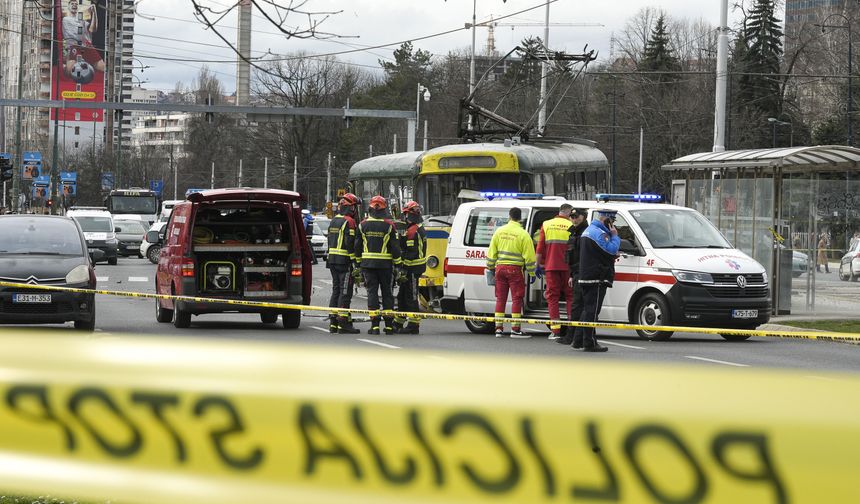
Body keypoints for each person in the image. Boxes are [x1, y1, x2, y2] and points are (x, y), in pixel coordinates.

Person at [572, 209, 620, 352]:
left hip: (587, 275)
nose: (613, 224)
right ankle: (589, 342)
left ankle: (578, 340)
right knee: (592, 312)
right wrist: (615, 236)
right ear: (606, 219)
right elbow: (611, 250)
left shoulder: (588, 230)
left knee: (587, 310)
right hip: (596, 277)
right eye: (612, 221)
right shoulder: (599, 233)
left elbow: (597, 252)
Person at [355, 195, 402, 335]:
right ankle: (389, 326)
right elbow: (395, 248)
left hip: (368, 265)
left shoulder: (362, 225)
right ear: (384, 209)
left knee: (372, 293)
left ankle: (374, 326)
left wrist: (358, 263)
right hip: (385, 266)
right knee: (387, 293)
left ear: (370, 209)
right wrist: (398, 265)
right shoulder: (389, 226)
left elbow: (357, 246)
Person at [486, 207, 536, 338]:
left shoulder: (499, 231)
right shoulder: (523, 234)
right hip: (515, 270)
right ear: (520, 218)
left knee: (500, 299)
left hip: (500, 269)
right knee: (516, 299)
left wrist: (490, 267)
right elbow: (530, 258)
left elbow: (491, 253)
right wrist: (532, 273)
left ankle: (498, 329)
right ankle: (515, 329)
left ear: (509, 216)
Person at [535, 203, 574, 340]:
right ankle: (572, 330)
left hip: (551, 266)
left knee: (552, 297)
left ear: (560, 211)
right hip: (568, 267)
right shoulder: (572, 225)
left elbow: (540, 248)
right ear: (569, 212)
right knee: (570, 297)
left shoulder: (547, 224)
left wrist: (537, 265)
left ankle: (555, 331)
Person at [325, 193, 361, 334]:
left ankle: (333, 323)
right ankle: (343, 323)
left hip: (332, 261)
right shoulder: (349, 222)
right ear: (350, 208)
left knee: (336, 291)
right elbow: (350, 243)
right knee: (345, 292)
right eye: (354, 207)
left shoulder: (334, 220)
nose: (355, 210)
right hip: (344, 262)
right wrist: (355, 262)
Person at [392, 201, 427, 334]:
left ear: (409, 215)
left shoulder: (412, 231)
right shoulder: (418, 227)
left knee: (411, 296)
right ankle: (398, 322)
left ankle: (413, 325)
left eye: (405, 215)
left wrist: (402, 268)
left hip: (412, 269)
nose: (405, 218)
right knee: (402, 296)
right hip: (415, 267)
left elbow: (410, 253)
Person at [558, 208, 588, 346]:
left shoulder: (584, 232)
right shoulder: (574, 232)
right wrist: (571, 275)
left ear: (583, 217)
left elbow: (583, 256)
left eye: (576, 216)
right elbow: (572, 255)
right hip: (576, 272)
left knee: (578, 305)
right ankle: (574, 336)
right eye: (572, 216)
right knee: (578, 305)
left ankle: (573, 337)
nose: (574, 219)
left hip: (582, 272)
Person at [62, 1, 106, 80]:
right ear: (68, 7)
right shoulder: (65, 20)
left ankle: (87, 66)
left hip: (87, 46)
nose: (74, 5)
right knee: (69, 72)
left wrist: (94, 12)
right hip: (74, 46)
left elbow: (93, 29)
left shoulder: (83, 21)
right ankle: (70, 65)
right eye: (72, 4)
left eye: (76, 4)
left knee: (103, 67)